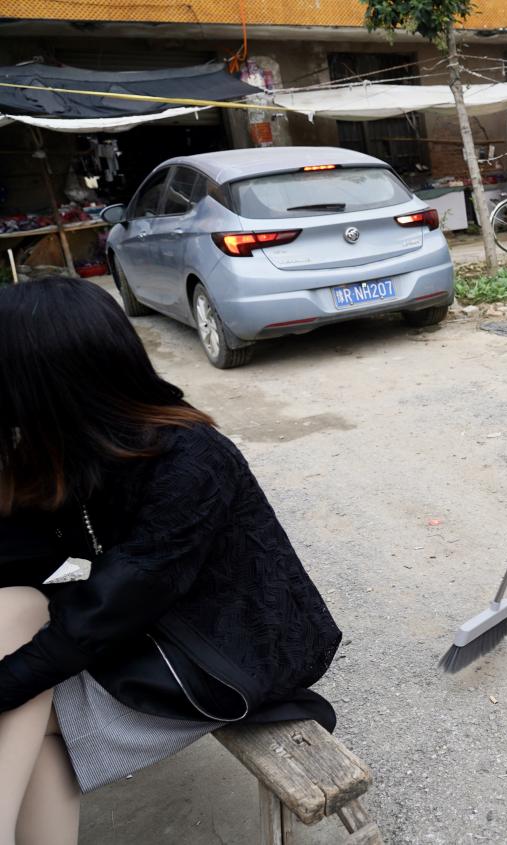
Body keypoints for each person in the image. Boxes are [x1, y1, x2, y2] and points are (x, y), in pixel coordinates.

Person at [0, 277, 342, 844]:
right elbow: (20, 558)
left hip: (222, 653)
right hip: (148, 624)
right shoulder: (70, 447)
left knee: (21, 712)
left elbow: (112, 607)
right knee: (13, 611)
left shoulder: (190, 459)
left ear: (43, 383)